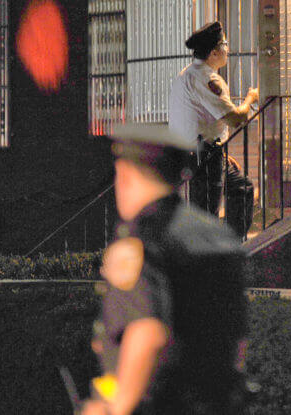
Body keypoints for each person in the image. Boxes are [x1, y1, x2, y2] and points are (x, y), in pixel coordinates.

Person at [81, 123, 249, 415]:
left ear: (127, 175)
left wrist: (116, 409)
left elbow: (147, 332)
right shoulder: (219, 236)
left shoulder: (142, 241)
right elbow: (237, 334)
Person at [167, 21, 258, 238]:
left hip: (203, 151)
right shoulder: (206, 79)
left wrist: (223, 153)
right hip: (202, 155)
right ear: (215, 51)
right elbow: (236, 119)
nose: (229, 49)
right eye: (225, 44)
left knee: (241, 188)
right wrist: (251, 100)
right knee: (206, 213)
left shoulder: (189, 74)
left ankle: (230, 244)